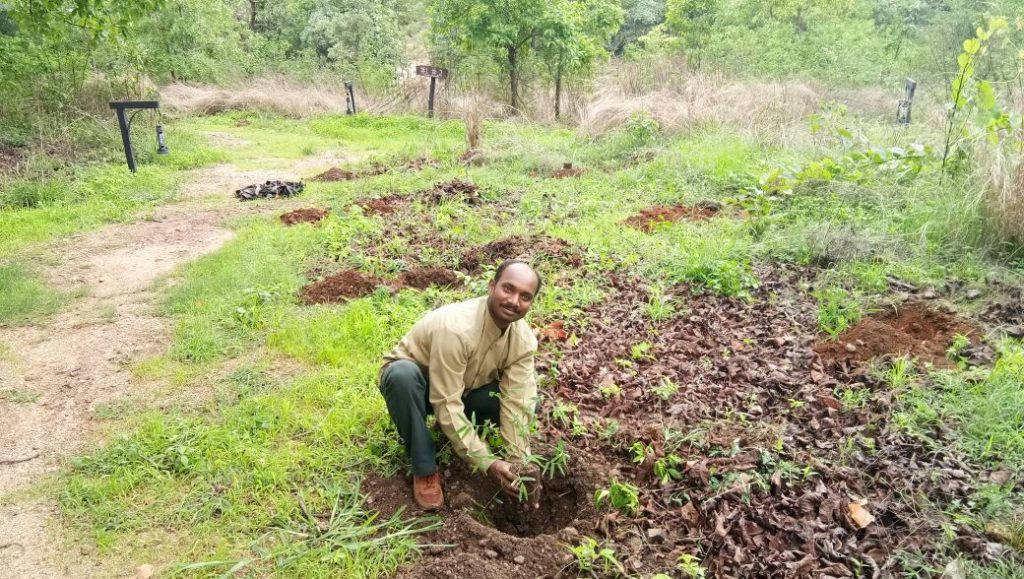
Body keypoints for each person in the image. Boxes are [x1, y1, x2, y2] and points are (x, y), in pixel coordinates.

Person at [379, 260, 542, 510]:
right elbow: (445, 401)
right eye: (508, 289)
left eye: (525, 296)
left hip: (463, 389)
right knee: (402, 375)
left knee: (530, 400)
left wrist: (518, 464)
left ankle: (459, 438)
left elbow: (517, 402)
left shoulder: (523, 341)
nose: (514, 301)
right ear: (491, 287)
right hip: (419, 388)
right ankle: (424, 467)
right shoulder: (457, 328)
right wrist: (487, 462)